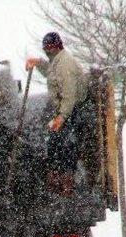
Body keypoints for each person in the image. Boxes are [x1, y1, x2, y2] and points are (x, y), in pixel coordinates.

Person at [25, 32, 89, 195]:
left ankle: (66, 184)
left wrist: (62, 117)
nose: (47, 51)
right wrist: (38, 63)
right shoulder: (57, 61)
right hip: (64, 110)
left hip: (72, 110)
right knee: (54, 145)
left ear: (57, 46)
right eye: (45, 48)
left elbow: (69, 95)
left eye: (49, 47)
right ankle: (55, 181)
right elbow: (51, 72)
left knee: (67, 146)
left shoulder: (65, 64)